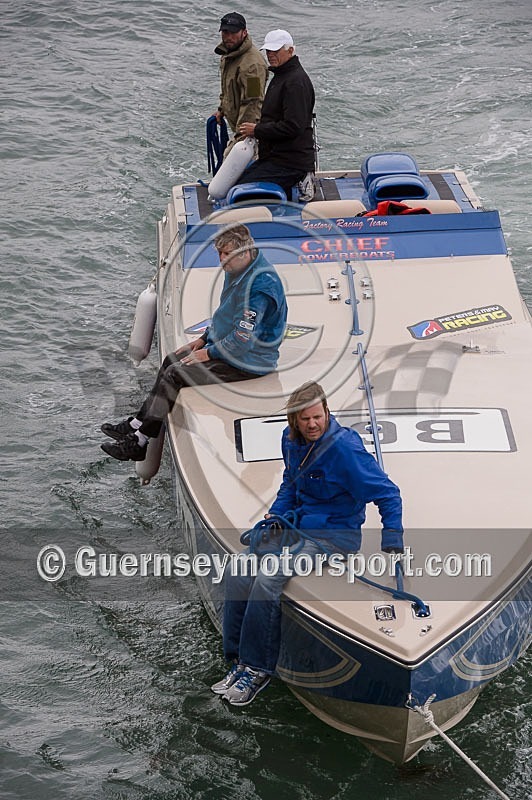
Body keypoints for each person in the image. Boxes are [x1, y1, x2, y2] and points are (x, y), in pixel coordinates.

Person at [212, 380, 404, 705]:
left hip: (333, 537)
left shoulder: (345, 449)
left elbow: (388, 493)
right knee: (239, 568)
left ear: (327, 412)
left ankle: (258, 669)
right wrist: (275, 515)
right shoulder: (291, 441)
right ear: (294, 421)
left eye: (318, 417)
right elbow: (290, 482)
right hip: (296, 525)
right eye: (305, 419)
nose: (313, 424)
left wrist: (392, 538)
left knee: (268, 577)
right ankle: (238, 661)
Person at [100, 225, 287, 461]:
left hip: (249, 361)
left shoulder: (259, 286)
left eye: (226, 254)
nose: (221, 261)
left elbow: (243, 339)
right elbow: (227, 314)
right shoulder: (238, 268)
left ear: (245, 252)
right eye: (219, 253)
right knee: (171, 360)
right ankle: (136, 423)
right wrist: (203, 339)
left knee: (177, 375)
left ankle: (140, 441)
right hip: (228, 347)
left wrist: (208, 354)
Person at [236, 29, 316, 201]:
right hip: (276, 157)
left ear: (290, 51)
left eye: (276, 51)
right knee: (240, 182)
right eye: (268, 51)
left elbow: (293, 126)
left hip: (290, 163)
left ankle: (302, 179)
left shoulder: (295, 83)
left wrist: (257, 130)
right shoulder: (282, 75)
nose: (271, 55)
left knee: (242, 191)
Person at [214, 12, 269, 153]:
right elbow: (228, 89)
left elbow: (253, 103)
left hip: (249, 135)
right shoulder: (229, 55)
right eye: (225, 32)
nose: (228, 37)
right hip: (240, 129)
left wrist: (240, 139)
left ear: (244, 33)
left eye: (233, 32)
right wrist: (222, 110)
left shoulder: (252, 66)